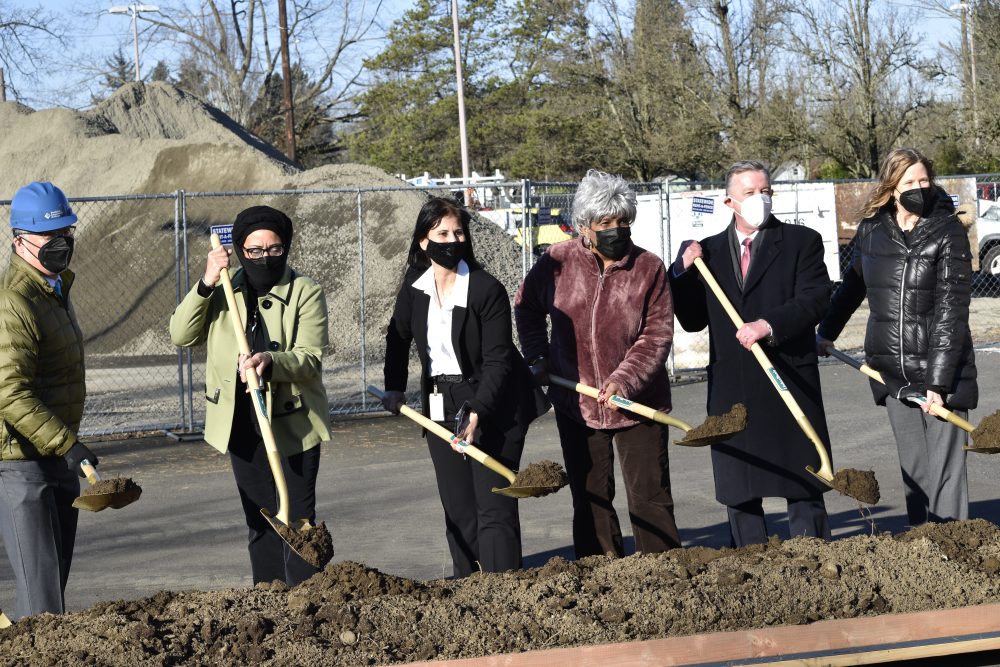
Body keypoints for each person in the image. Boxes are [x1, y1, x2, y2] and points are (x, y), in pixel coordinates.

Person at [515, 169, 680, 558]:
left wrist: (624, 381)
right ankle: (599, 574)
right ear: (584, 226)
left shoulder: (648, 267)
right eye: (605, 222)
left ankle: (665, 573)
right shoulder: (557, 262)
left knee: (650, 497)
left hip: (639, 405)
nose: (615, 230)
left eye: (622, 221)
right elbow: (526, 308)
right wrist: (538, 356)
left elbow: (657, 335)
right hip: (578, 403)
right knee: (590, 499)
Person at [381, 196, 548, 577]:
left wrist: (477, 412)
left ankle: (503, 589)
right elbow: (397, 336)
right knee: (458, 506)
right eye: (442, 233)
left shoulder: (486, 290)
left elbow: (498, 360)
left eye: (458, 232)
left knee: (493, 506)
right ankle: (466, 590)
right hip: (442, 401)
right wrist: (393, 388)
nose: (452, 239)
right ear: (424, 241)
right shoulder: (414, 287)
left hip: (496, 401)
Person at [670, 160, 832, 547]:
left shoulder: (800, 242)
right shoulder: (707, 253)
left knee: (802, 477)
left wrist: (768, 325)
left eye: (766, 192)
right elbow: (692, 321)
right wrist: (680, 273)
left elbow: (815, 299)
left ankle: (813, 559)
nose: (761, 199)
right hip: (733, 383)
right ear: (729, 201)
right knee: (739, 484)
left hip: (787, 375)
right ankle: (752, 561)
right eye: (750, 193)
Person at [170, 205, 331, 586]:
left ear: (286, 248)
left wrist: (269, 362)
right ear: (241, 250)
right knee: (260, 523)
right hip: (242, 425)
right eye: (254, 250)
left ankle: (307, 603)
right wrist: (206, 283)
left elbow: (310, 358)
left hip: (292, 424)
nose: (264, 257)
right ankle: (269, 602)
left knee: (298, 521)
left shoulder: (305, 292)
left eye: (274, 249)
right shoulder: (225, 288)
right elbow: (181, 334)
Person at [817, 148, 976, 526]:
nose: (919, 188)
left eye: (924, 180)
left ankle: (955, 550)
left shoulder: (948, 230)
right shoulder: (874, 230)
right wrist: (826, 332)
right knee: (916, 470)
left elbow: (952, 313)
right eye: (909, 182)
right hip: (892, 370)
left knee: (946, 472)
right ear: (891, 188)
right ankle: (922, 549)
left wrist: (938, 383)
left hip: (944, 370)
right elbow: (852, 287)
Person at [0, 181, 97, 620]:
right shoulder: (14, 303)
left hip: (56, 458)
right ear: (19, 240)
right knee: (41, 600)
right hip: (22, 463)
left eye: (66, 233)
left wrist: (65, 449)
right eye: (49, 236)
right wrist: (67, 443)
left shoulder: (53, 288)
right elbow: (9, 392)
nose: (61, 244)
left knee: (51, 589)